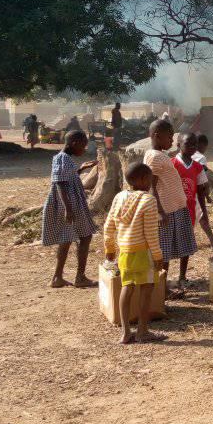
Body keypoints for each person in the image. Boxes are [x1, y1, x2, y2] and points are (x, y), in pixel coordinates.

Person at [103, 162, 165, 344]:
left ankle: (125, 333)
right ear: (144, 179)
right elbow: (151, 234)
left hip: (125, 252)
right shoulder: (148, 201)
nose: (151, 183)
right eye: (150, 178)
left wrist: (109, 248)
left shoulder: (119, 197)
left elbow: (109, 225)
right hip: (144, 252)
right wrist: (158, 256)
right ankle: (142, 331)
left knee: (127, 287)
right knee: (146, 289)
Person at [143, 119, 197, 298]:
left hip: (174, 208)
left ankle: (163, 286)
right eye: (170, 136)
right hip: (166, 210)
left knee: (166, 252)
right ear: (157, 136)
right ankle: (162, 290)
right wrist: (159, 211)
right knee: (163, 253)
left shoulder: (158, 154)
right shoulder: (155, 156)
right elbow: (151, 185)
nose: (172, 140)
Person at [41, 130, 98, 288]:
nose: (84, 149)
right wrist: (68, 208)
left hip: (71, 203)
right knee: (85, 236)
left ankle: (57, 277)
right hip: (69, 203)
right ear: (74, 143)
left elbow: (66, 177)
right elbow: (60, 183)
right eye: (83, 146)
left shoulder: (63, 158)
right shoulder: (63, 158)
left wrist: (80, 169)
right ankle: (79, 277)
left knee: (67, 239)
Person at [170, 133, 208, 292]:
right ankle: (162, 278)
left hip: (189, 210)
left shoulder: (197, 167)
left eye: (195, 144)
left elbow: (201, 191)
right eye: (188, 144)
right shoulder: (171, 164)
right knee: (167, 243)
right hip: (172, 209)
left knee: (185, 244)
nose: (192, 147)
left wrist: (204, 211)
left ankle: (182, 276)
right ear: (178, 145)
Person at [191, 134, 213, 250]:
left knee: (192, 217)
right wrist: (207, 195)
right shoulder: (201, 157)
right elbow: (202, 177)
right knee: (203, 217)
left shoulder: (187, 155)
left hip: (187, 190)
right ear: (203, 145)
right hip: (197, 192)